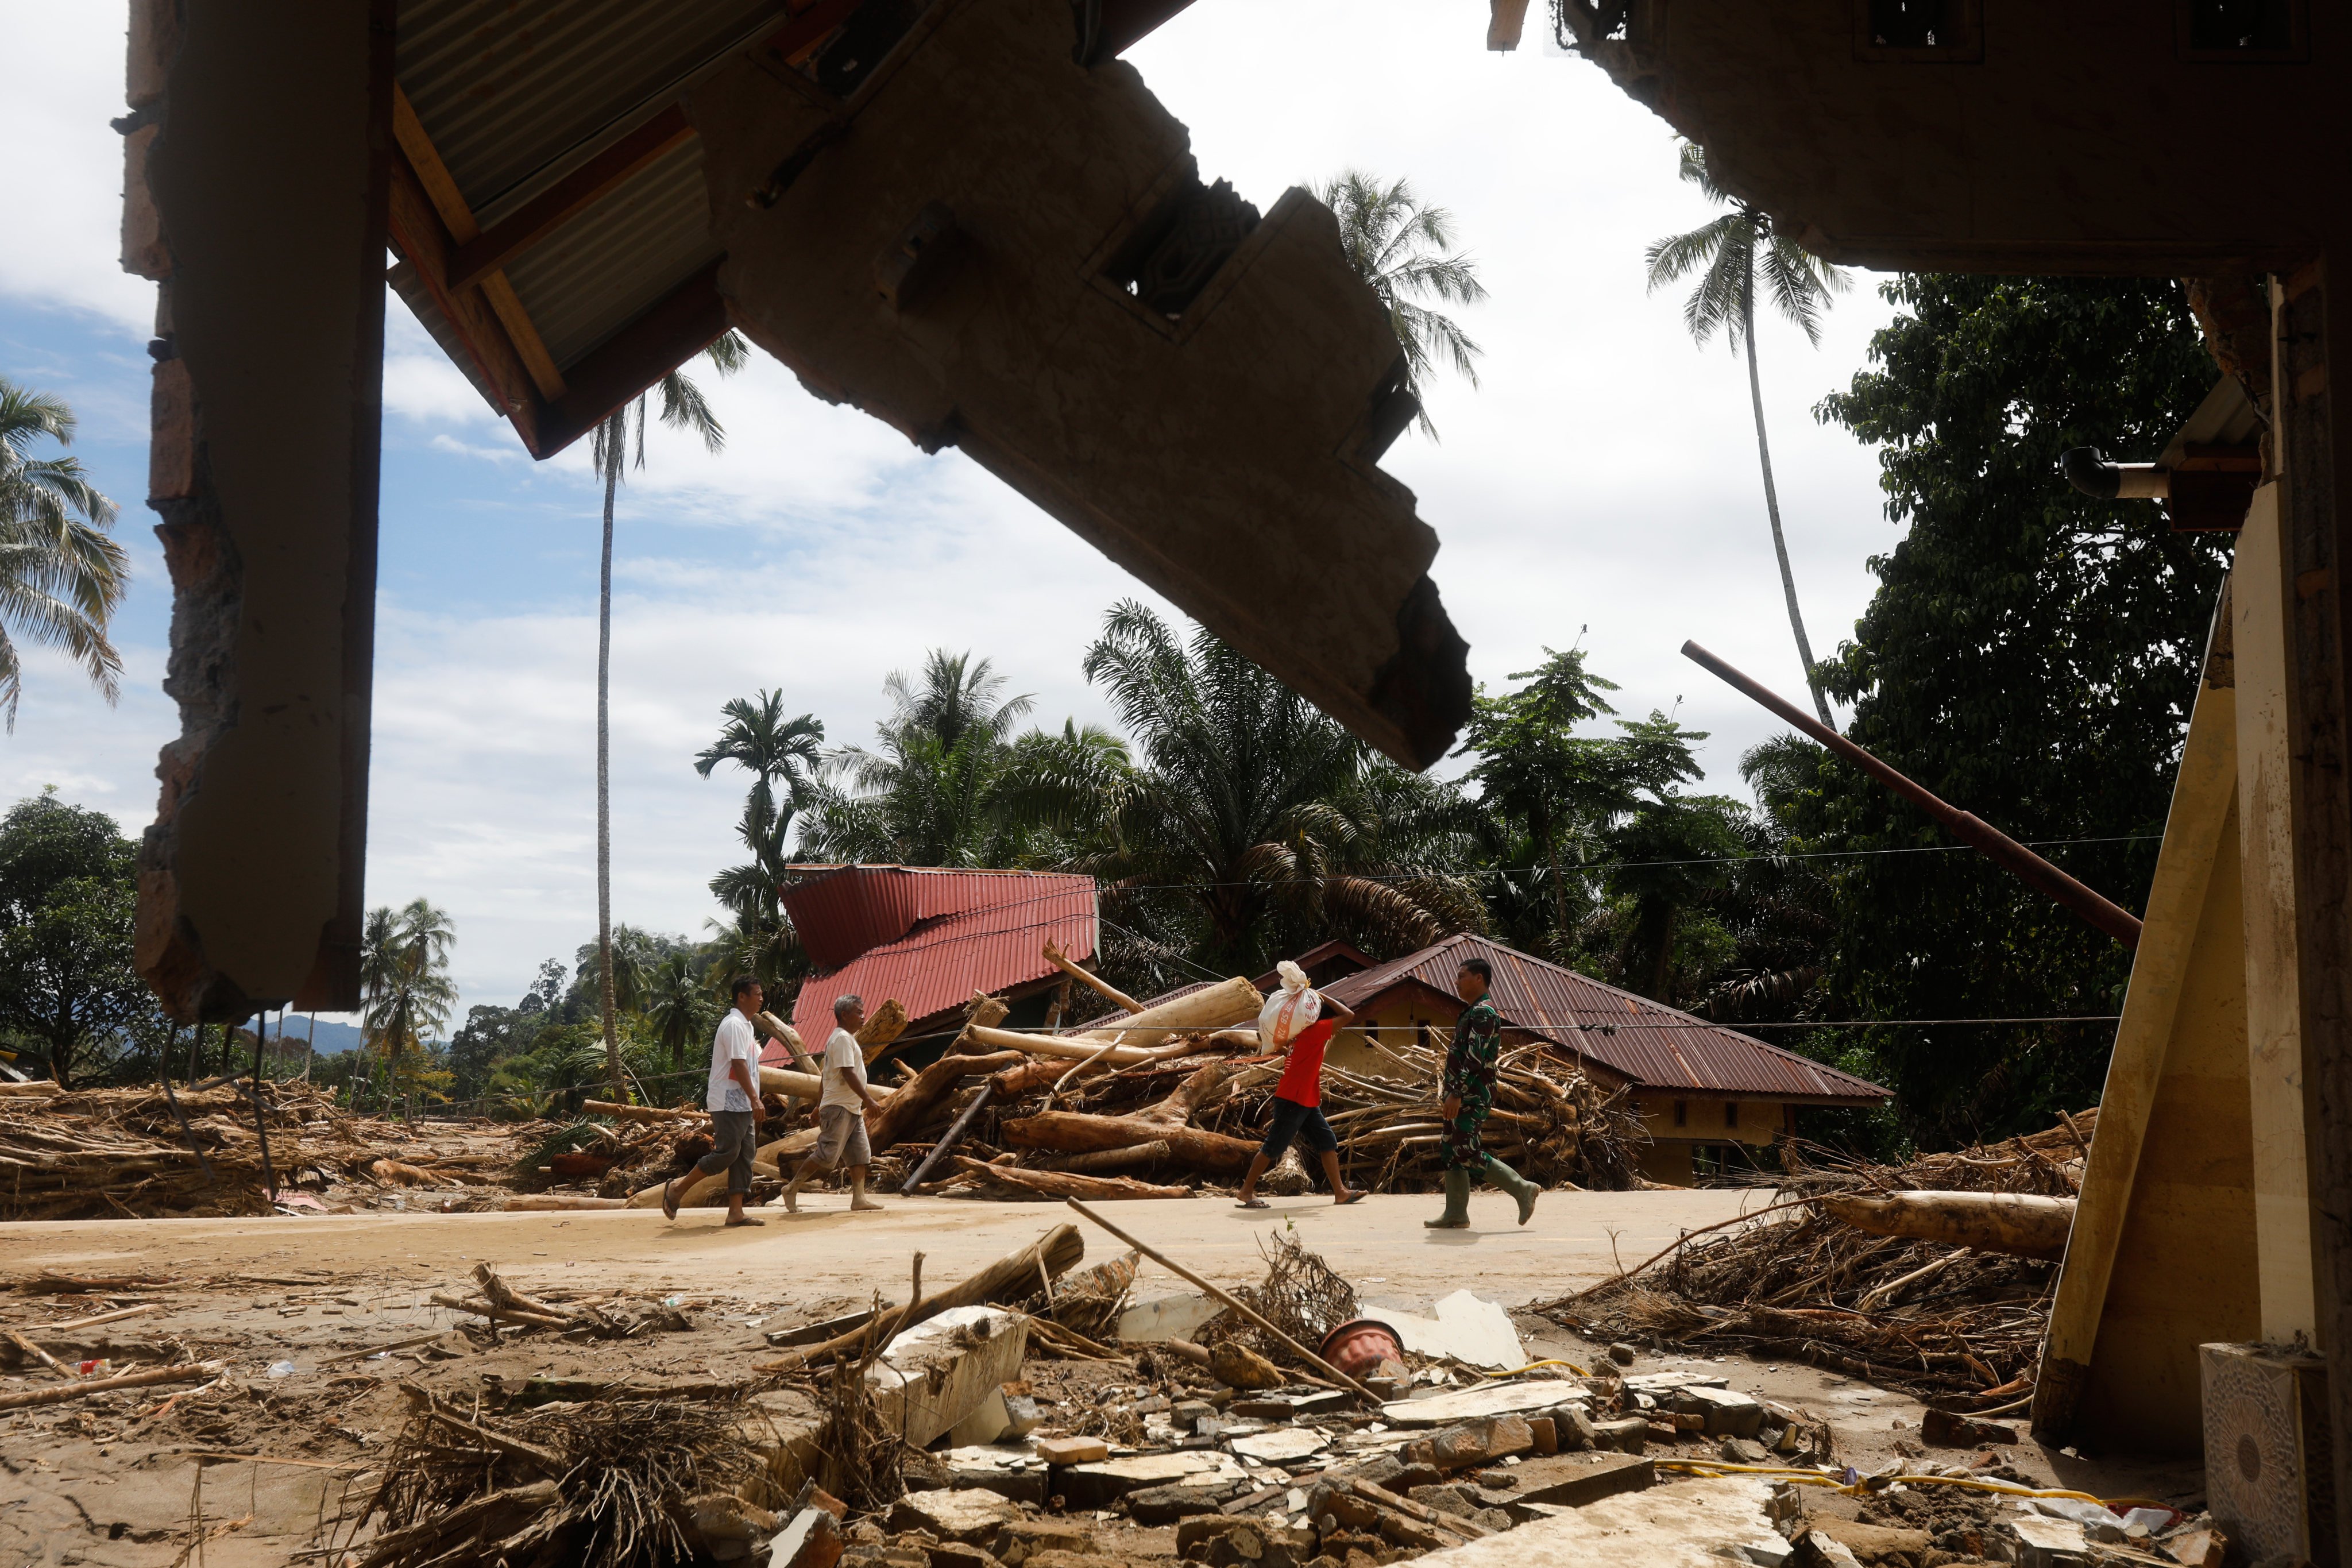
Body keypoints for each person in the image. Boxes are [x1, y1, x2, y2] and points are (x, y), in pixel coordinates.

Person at [1427, 957, 1540, 1230]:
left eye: (1462, 976)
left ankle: (1522, 1189)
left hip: (1473, 1093)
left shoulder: (1484, 1013)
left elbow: (1474, 1060)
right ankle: (1455, 1213)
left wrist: (1456, 1093)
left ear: (1479, 979)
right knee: (1451, 1150)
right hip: (1460, 1093)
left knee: (1465, 1149)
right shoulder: (1470, 1011)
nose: (1457, 982)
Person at [1235, 990, 1365, 1209]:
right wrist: (1324, 997)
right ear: (1328, 1017)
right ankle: (1246, 1191)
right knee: (1273, 1147)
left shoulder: (1303, 1034)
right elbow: (1349, 1015)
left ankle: (1340, 1192)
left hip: (1305, 1099)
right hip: (1294, 1099)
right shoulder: (1317, 1030)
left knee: (1327, 1141)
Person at [663, 975, 770, 1226]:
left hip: (743, 1102)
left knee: (745, 1155)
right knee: (727, 1153)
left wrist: (753, 1098)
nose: (761, 998)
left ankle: (736, 1212)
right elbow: (738, 1063)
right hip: (728, 1100)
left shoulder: (747, 1025)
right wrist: (756, 1099)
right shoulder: (733, 1025)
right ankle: (678, 1189)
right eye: (757, 994)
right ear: (742, 997)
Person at [782, 992, 886, 1214]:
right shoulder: (841, 1039)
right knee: (826, 1155)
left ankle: (859, 1198)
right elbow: (847, 1073)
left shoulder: (847, 1039)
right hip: (840, 1107)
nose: (863, 1016)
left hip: (850, 1107)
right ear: (844, 1014)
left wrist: (819, 1106)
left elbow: (825, 1077)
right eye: (858, 1012)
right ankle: (792, 1188)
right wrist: (868, 1099)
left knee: (859, 1154)